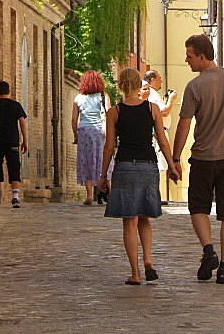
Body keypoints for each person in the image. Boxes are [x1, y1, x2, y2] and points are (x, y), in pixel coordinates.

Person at [171, 34, 224, 284]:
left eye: (189, 56)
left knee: (198, 207)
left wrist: (175, 157)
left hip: (204, 158)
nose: (187, 60)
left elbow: (184, 126)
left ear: (202, 56)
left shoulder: (194, 87)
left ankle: (208, 251)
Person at [99, 67, 179, 285]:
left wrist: (103, 174)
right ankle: (148, 260)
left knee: (129, 221)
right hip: (148, 165)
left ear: (120, 86)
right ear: (138, 85)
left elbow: (109, 146)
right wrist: (172, 165)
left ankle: (135, 273)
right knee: (144, 217)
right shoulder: (152, 109)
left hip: (124, 166)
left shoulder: (114, 112)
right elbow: (162, 141)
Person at [72, 70, 109, 205]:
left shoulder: (78, 98)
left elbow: (74, 119)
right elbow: (109, 114)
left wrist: (76, 136)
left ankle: (89, 195)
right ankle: (108, 189)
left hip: (84, 132)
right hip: (100, 131)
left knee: (85, 161)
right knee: (103, 160)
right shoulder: (103, 96)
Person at [144, 69, 178, 204]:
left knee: (159, 165)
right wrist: (171, 100)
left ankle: (155, 195)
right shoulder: (151, 93)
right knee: (158, 164)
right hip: (159, 132)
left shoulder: (153, 94)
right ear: (152, 80)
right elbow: (163, 111)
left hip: (160, 131)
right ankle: (154, 196)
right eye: (159, 78)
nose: (161, 81)